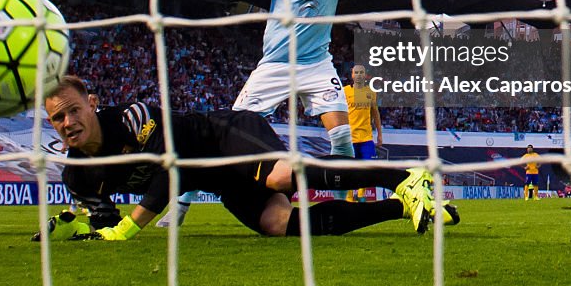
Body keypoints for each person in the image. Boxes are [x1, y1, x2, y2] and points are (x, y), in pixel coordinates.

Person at [32, 76, 458, 241]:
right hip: (218, 180)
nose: (68, 122)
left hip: (226, 136)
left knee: (279, 178)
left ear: (91, 103)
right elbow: (104, 225)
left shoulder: (132, 118)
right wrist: (83, 222)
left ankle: (404, 175)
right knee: (276, 225)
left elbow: (171, 172)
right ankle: (400, 207)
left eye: (73, 110)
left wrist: (130, 225)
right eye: (57, 117)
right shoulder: (79, 177)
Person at [203, 0, 396, 159]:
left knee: (341, 138)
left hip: (317, 65)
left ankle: (334, 198)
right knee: (233, 131)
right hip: (275, 65)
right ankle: (186, 196)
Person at [343, 64, 383, 202]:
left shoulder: (371, 92)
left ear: (365, 76)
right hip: (350, 138)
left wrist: (380, 134)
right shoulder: (345, 91)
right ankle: (349, 198)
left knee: (368, 167)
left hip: (366, 138)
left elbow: (375, 114)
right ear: (352, 75)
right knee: (348, 169)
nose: (359, 75)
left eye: (362, 72)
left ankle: (361, 196)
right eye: (356, 72)